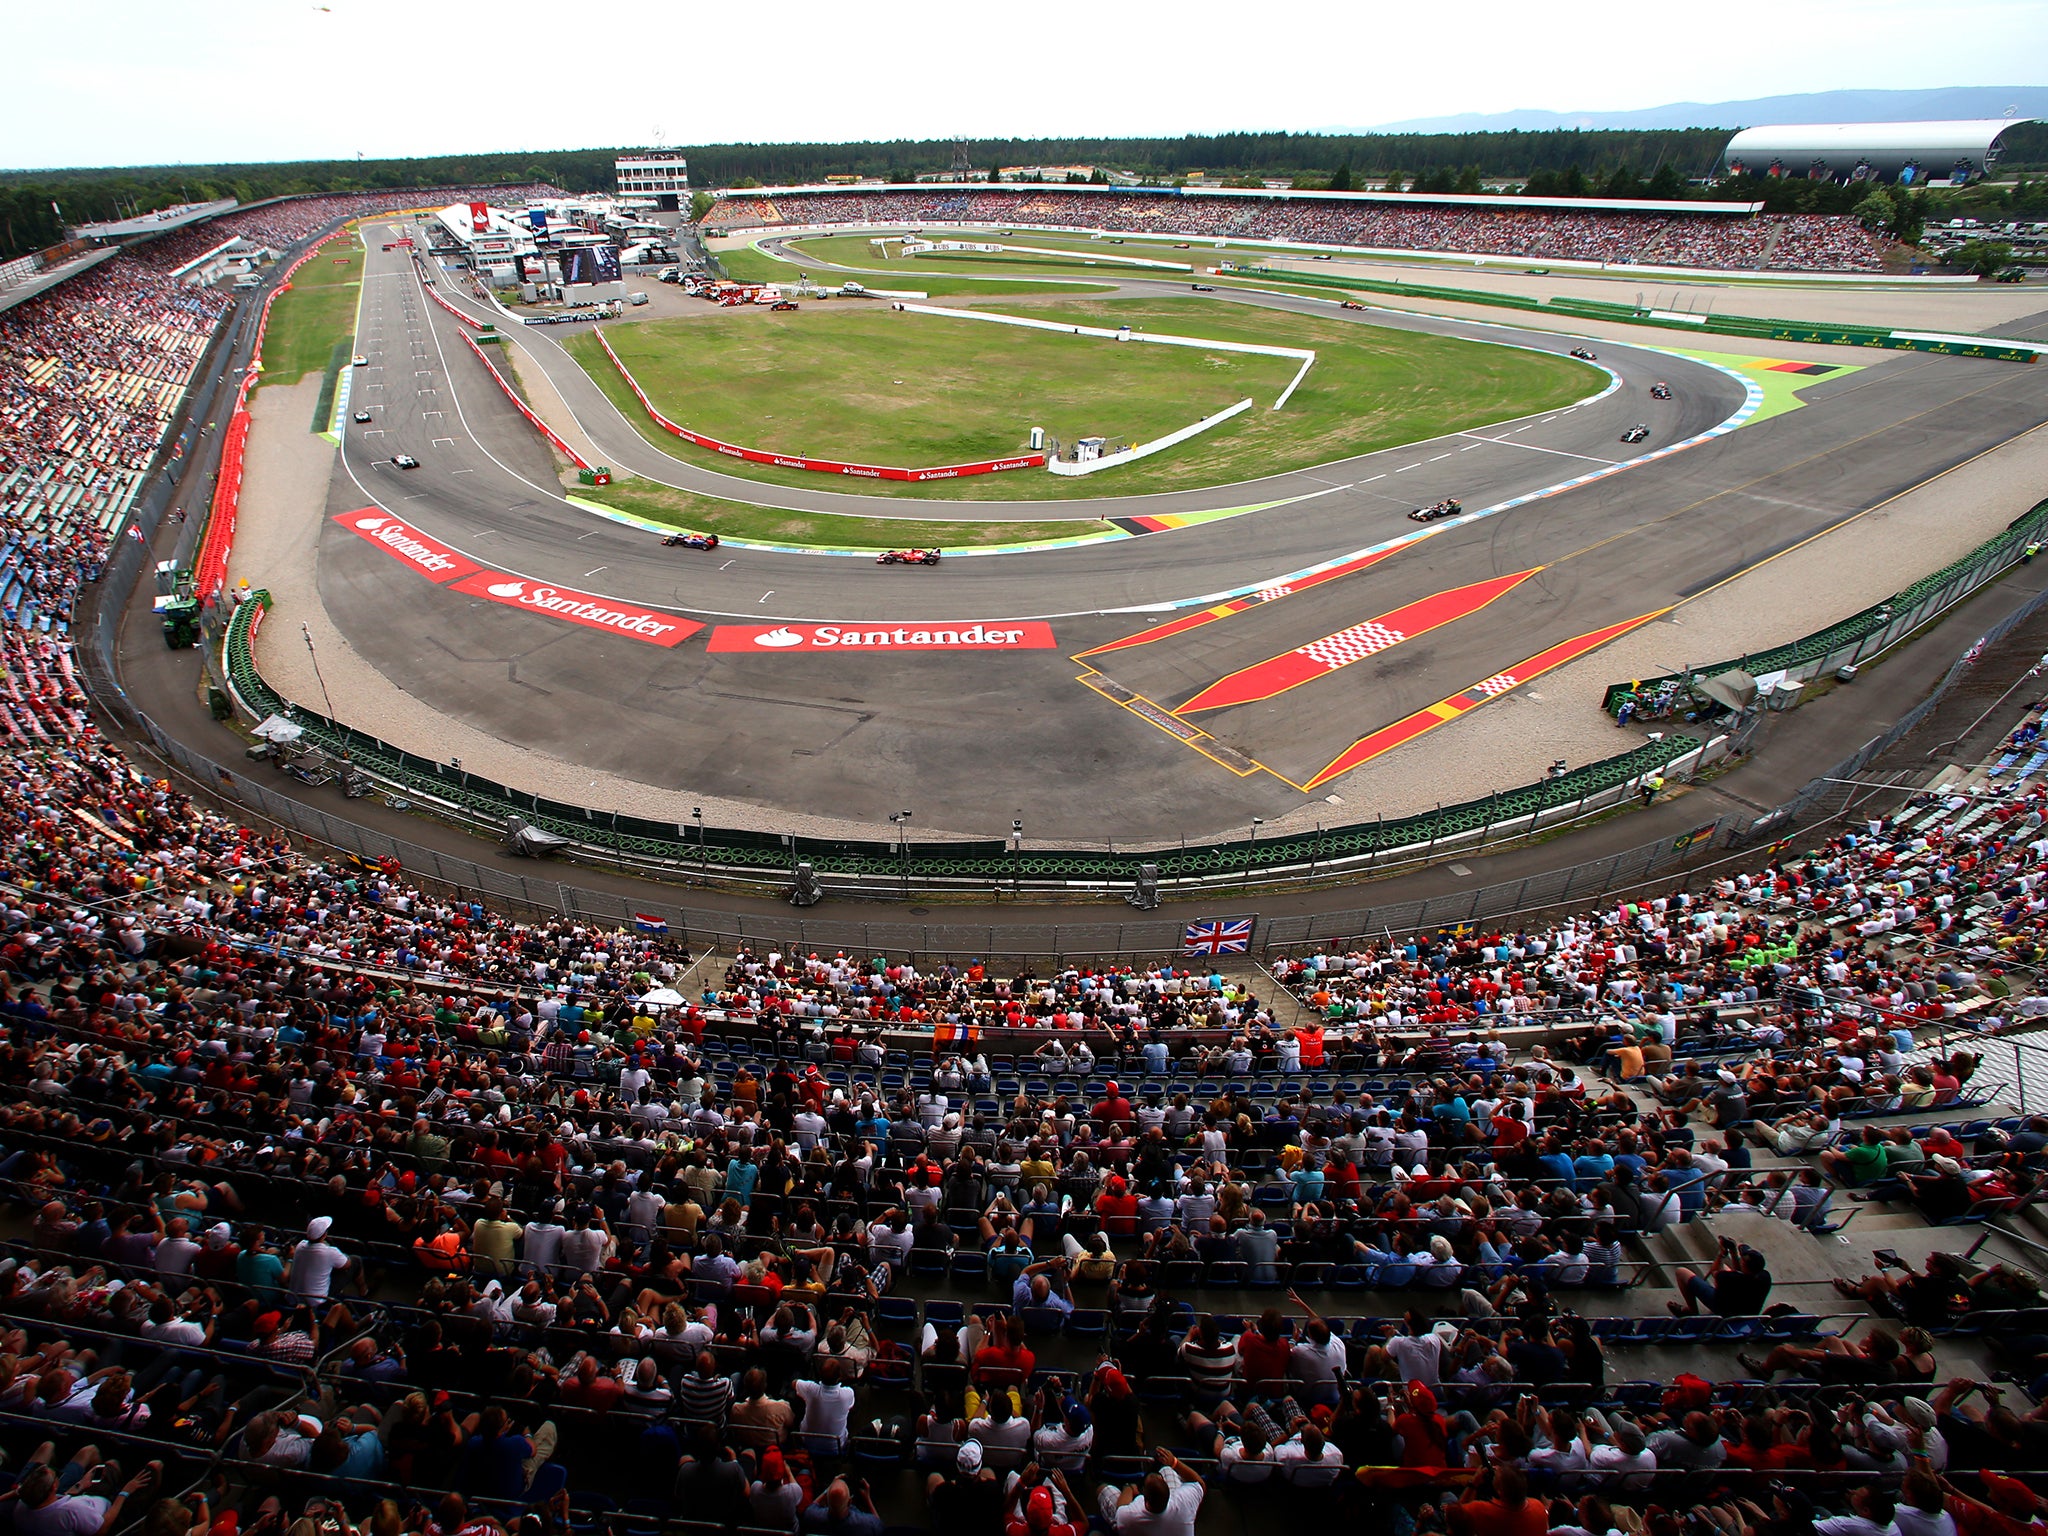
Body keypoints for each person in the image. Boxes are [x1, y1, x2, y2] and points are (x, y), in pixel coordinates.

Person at [1097, 1447, 1204, 1534]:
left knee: (1104, 1489)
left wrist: (1128, 1487)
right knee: (1167, 1469)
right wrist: (1174, 1462)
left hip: (1134, 1525)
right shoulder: (1183, 1502)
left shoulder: (1131, 1515)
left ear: (1144, 1499)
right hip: (1178, 1520)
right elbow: (1200, 1484)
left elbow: (1121, 1508)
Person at [1669, 1236, 1771, 1317]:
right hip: (1748, 1313)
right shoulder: (1765, 1277)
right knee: (1726, 1268)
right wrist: (1733, 1252)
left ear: (1744, 1264)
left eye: (1741, 1259)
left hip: (1723, 1309)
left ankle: (1693, 1313)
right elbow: (1740, 1273)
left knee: (1681, 1272)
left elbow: (1715, 1271)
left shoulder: (1732, 1278)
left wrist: (1721, 1254)